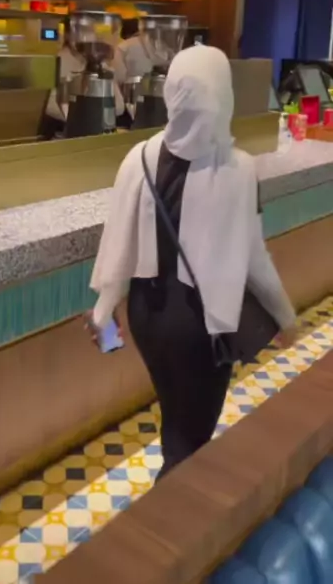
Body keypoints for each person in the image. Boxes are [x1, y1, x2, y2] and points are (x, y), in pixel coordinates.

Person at [88, 45, 297, 480]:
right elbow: (254, 260)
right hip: (200, 325)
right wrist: (285, 318)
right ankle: (169, 515)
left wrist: (104, 310)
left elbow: (119, 240)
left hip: (147, 315)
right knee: (191, 442)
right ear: (223, 95)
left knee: (176, 418)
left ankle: (171, 494)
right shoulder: (237, 169)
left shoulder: (138, 157)